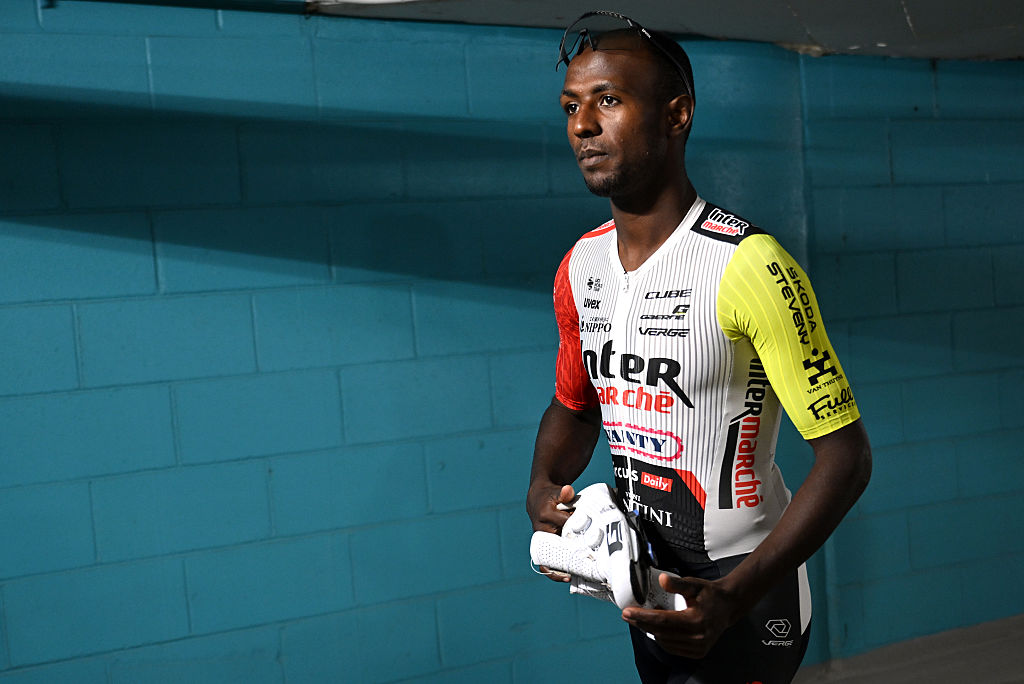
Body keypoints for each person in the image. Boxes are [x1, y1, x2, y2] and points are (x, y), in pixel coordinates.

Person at [525, 11, 872, 684]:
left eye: (609, 101)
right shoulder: (580, 267)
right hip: (646, 578)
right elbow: (575, 406)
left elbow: (846, 457)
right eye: (571, 106)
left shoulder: (750, 264)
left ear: (676, 115)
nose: (582, 125)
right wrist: (540, 486)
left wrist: (735, 596)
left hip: (748, 588)